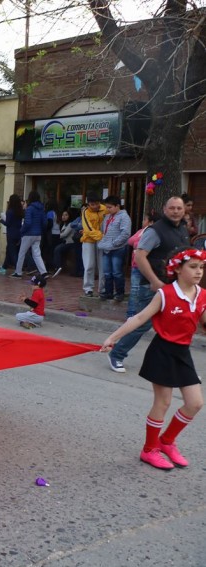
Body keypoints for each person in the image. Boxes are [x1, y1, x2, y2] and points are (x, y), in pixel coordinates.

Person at [101, 249, 206, 470]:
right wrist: (113, 338)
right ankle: (149, 450)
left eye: (201, 267)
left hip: (183, 352)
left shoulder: (202, 295)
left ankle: (167, 442)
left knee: (195, 403)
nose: (199, 272)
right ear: (177, 269)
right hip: (162, 351)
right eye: (193, 267)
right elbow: (139, 318)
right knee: (163, 402)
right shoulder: (165, 294)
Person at [107, 196, 190, 372]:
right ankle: (116, 354)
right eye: (172, 208)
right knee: (142, 323)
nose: (176, 211)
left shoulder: (183, 228)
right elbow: (139, 255)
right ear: (165, 209)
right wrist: (154, 281)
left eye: (179, 208)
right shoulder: (155, 230)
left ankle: (171, 361)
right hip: (154, 286)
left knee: (173, 325)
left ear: (184, 210)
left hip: (174, 287)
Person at [97, 196, 132, 301]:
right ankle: (108, 292)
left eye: (110, 207)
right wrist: (104, 242)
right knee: (107, 271)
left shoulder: (124, 217)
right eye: (107, 207)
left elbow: (125, 233)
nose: (108, 209)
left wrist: (114, 243)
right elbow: (104, 231)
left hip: (118, 248)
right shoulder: (107, 217)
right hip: (107, 248)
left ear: (117, 206)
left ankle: (119, 293)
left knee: (117, 271)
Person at [11, 190, 47, 278]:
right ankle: (44, 272)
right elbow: (44, 222)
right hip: (38, 234)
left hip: (28, 234)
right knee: (37, 254)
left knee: (21, 253)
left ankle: (18, 272)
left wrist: (22, 231)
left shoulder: (29, 208)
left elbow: (28, 223)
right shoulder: (41, 208)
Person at [80, 193, 107, 296]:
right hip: (89, 240)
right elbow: (88, 228)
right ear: (88, 204)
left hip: (102, 240)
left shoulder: (105, 209)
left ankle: (102, 289)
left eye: (97, 204)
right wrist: (101, 236)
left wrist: (102, 237)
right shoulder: (85, 212)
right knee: (89, 265)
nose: (95, 206)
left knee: (102, 265)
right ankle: (88, 288)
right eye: (92, 204)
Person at [0, 194, 24, 274]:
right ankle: (4, 267)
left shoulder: (10, 211)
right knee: (9, 250)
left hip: (11, 234)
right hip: (18, 233)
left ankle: (18, 270)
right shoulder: (20, 211)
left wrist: (1, 221)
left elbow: (8, 223)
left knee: (12, 252)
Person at [52, 210, 83, 276]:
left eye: (66, 215)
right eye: (63, 215)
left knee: (57, 249)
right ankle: (56, 265)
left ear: (69, 216)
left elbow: (65, 234)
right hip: (64, 242)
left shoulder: (70, 224)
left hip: (70, 243)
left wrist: (55, 236)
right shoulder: (63, 224)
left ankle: (57, 267)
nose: (64, 216)